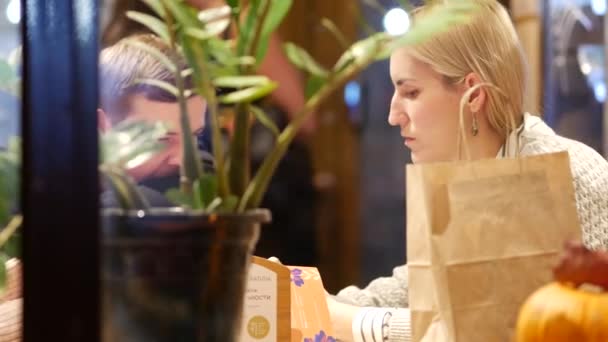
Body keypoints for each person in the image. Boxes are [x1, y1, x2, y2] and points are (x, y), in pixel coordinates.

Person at [326, 0, 608, 341]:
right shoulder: (475, 172)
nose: (393, 115)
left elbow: (490, 331)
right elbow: (418, 285)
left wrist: (354, 323)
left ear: (472, 95)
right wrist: (309, 297)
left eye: (410, 92)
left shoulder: (557, 176)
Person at [99, 33, 213, 207]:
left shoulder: (198, 174)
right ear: (101, 126)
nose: (182, 159)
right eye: (163, 139)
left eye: (194, 136)